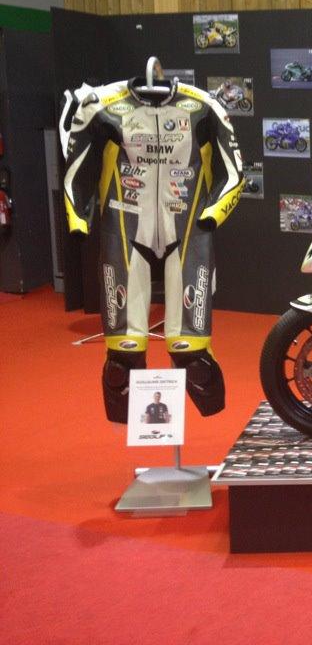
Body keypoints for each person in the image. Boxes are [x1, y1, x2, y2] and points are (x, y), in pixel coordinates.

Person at [62, 78, 243, 423]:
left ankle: (209, 417)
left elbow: (234, 173)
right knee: (122, 357)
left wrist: (214, 213)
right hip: (124, 228)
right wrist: (77, 218)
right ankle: (126, 426)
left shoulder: (203, 105)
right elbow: (76, 168)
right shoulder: (101, 106)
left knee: (192, 355)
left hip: (190, 228)